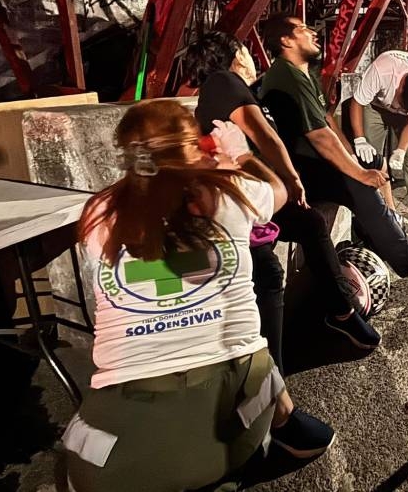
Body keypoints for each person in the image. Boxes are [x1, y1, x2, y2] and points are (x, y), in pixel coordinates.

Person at [65, 100, 332, 492]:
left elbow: (155, 208)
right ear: (193, 146)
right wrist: (239, 155)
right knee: (257, 367)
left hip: (118, 455)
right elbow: (279, 191)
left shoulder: (97, 213)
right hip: (237, 425)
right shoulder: (227, 191)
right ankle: (264, 443)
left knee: (77, 461)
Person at [184, 32, 381, 374]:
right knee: (268, 271)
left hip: (252, 198)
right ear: (234, 55)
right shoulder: (224, 81)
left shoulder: (238, 90)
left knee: (309, 224)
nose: (251, 56)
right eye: (246, 50)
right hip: (239, 204)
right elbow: (264, 135)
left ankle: (339, 313)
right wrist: (292, 179)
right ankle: (273, 373)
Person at [257, 14, 408, 291]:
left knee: (374, 162)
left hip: (311, 161)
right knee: (360, 184)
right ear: (285, 41)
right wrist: (358, 170)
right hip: (295, 170)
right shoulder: (287, 77)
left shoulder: (303, 73)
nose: (313, 32)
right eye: (302, 29)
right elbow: (320, 137)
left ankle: (387, 225)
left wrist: (354, 154)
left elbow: (327, 119)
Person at [344, 49, 408, 228]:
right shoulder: (382, 70)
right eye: (404, 106)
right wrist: (360, 139)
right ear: (401, 86)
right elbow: (357, 102)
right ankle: (374, 202)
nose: (403, 110)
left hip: (405, 119)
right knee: (371, 157)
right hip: (375, 107)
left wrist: (401, 150)